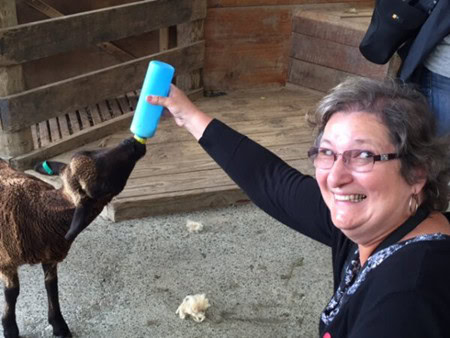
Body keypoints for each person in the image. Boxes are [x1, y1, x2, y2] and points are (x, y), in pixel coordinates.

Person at [147, 77, 450, 337]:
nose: (335, 176)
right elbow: (272, 182)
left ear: (417, 172)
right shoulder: (382, 221)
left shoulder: (407, 301)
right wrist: (187, 114)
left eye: (362, 156)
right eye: (327, 153)